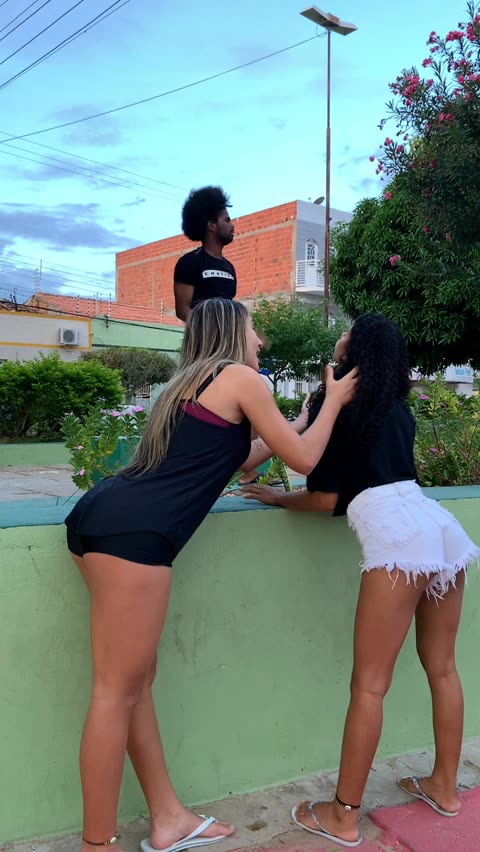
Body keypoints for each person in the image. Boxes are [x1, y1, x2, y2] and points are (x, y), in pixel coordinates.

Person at [64, 298, 357, 852]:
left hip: (101, 519)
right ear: (231, 331)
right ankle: (96, 845)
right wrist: (335, 401)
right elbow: (304, 461)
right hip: (135, 537)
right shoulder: (240, 377)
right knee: (113, 693)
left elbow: (239, 457)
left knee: (133, 686)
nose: (260, 341)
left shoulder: (188, 385)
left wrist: (298, 421)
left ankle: (168, 818)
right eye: (254, 329)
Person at [242, 313, 480, 848]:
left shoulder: (340, 410)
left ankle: (343, 815)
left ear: (356, 352)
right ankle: (445, 788)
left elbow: (326, 498)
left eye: (347, 333)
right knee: (443, 668)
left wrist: (278, 498)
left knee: (369, 685)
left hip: (399, 541)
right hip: (439, 529)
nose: (339, 338)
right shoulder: (398, 409)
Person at [174, 187, 236, 322]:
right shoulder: (189, 263)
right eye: (226, 221)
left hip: (228, 335)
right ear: (211, 225)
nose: (232, 226)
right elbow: (182, 310)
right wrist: (208, 330)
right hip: (203, 335)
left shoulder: (229, 268)